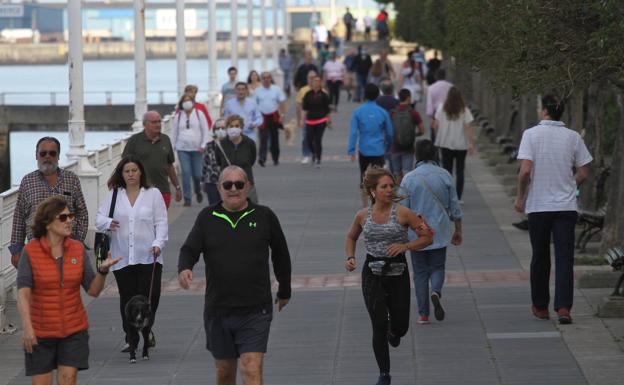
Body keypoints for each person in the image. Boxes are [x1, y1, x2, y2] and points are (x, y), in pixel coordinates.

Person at [178, 165, 292, 385]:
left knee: (251, 368)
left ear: (248, 186)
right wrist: (185, 268)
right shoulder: (207, 217)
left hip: (255, 309)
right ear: (219, 188)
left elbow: (281, 254)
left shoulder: (264, 216)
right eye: (227, 185)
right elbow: (189, 249)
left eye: (239, 184)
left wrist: (284, 289)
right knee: (224, 372)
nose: (233, 189)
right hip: (218, 310)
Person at [17, 196, 119, 385]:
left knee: (68, 379)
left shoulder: (77, 249)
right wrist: (27, 328)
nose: (70, 221)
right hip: (40, 331)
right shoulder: (30, 251)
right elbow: (23, 293)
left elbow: (93, 291)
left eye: (70, 216)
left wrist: (103, 271)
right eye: (63, 217)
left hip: (73, 330)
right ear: (47, 223)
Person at [345, 167, 433, 385]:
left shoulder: (403, 213)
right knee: (378, 323)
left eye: (391, 186)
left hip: (398, 272)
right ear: (373, 191)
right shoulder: (362, 215)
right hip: (372, 273)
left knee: (400, 325)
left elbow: (427, 237)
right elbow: (351, 237)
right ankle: (384, 374)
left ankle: (395, 332)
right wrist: (350, 257)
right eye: (384, 186)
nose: (389, 190)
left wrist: (406, 245)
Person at [514, 95, 592, 324]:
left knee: (540, 257)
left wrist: (520, 197)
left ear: (544, 110)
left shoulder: (530, 135)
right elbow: (584, 171)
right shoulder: (573, 137)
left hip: (538, 206)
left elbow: (525, 170)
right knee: (565, 258)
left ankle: (540, 306)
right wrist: (570, 185)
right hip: (566, 206)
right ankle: (564, 308)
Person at [96, 156, 168, 352]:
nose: (130, 175)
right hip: (122, 257)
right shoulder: (114, 195)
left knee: (150, 296)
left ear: (141, 172)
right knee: (127, 298)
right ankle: (130, 336)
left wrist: (158, 243)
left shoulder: (153, 194)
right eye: (126, 171)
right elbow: (99, 217)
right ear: (122, 174)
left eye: (134, 171)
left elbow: (161, 221)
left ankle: (147, 330)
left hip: (149, 255)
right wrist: (108, 223)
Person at [401, 139, 463, 324]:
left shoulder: (409, 178)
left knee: (420, 273)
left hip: (417, 232)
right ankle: (435, 291)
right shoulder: (445, 175)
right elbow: (455, 207)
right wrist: (458, 229)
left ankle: (423, 314)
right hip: (439, 230)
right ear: (435, 154)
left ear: (416, 154)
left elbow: (403, 210)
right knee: (437, 267)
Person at [10, 136, 88, 268]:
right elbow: (19, 217)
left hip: (66, 248)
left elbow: (82, 213)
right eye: (43, 153)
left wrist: (77, 241)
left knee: (67, 286)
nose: (47, 157)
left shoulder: (71, 180)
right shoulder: (27, 182)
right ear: (36, 155)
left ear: (58, 156)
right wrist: (16, 249)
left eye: (52, 153)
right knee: (39, 287)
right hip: (36, 250)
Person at [122, 111, 182, 209]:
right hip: (140, 191)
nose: (158, 124)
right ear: (144, 124)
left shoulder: (166, 139)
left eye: (159, 122)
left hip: (163, 191)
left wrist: (177, 187)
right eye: (154, 122)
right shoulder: (135, 140)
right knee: (144, 222)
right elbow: (124, 164)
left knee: (160, 222)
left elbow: (169, 166)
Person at [348, 83, 394, 207]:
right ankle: (376, 204)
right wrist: (388, 146)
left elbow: (353, 133)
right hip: (378, 149)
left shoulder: (357, 112)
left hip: (364, 149)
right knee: (378, 179)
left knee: (364, 177)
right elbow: (390, 132)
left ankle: (364, 207)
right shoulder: (382, 112)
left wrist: (351, 150)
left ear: (365, 95)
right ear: (377, 95)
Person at [433, 86, 475, 201]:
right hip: (461, 144)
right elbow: (468, 126)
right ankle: (459, 197)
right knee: (460, 170)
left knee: (447, 170)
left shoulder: (442, 108)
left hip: (445, 143)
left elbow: (436, 125)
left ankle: (447, 196)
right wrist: (470, 143)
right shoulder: (464, 110)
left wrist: (438, 137)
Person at [171, 93, 211, 207]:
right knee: (186, 173)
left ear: (193, 102)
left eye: (189, 100)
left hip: (197, 149)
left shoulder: (199, 114)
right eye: (184, 100)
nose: (187, 102)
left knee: (198, 174)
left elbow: (205, 130)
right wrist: (172, 148)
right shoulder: (178, 116)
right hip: (182, 148)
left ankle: (198, 191)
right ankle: (187, 199)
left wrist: (204, 144)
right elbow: (174, 133)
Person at [216, 115, 259, 203]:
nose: (234, 128)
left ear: (241, 128)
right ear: (227, 128)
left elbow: (252, 160)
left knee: (251, 211)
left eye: (236, 126)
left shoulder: (249, 143)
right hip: (227, 185)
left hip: (246, 184)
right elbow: (219, 162)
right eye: (231, 126)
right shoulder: (221, 144)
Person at [389, 89, 425, 183]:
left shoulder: (392, 113)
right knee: (407, 174)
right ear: (409, 98)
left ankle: (398, 196)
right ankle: (406, 195)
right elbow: (422, 130)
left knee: (397, 174)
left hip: (395, 147)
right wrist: (414, 135)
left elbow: (388, 130)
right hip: (408, 148)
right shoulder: (413, 113)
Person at [254, 72, 286, 167]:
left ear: (270, 78)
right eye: (264, 78)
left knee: (274, 138)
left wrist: (282, 115)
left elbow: (282, 102)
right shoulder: (257, 91)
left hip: (274, 116)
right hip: (262, 117)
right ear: (261, 79)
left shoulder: (276, 89)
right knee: (263, 138)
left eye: (268, 77)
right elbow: (254, 105)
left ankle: (275, 158)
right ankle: (262, 158)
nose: (266, 79)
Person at [302, 75, 332, 168]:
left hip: (321, 120)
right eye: (314, 81)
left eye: (318, 81)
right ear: (312, 83)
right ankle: (313, 153)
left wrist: (329, 121)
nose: (316, 83)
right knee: (309, 139)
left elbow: (327, 109)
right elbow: (304, 108)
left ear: (320, 83)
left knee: (318, 140)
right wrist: (302, 120)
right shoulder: (308, 94)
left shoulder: (324, 95)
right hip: (310, 120)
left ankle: (318, 159)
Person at [202, 118, 227, 205]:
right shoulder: (209, 146)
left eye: (223, 128)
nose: (220, 130)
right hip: (211, 182)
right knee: (214, 208)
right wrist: (203, 182)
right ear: (214, 130)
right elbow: (205, 164)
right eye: (218, 128)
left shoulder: (231, 146)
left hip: (228, 182)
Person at [295, 70, 318, 164]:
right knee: (306, 137)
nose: (312, 79)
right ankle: (306, 155)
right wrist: (299, 119)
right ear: (307, 79)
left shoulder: (321, 90)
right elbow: (298, 105)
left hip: (318, 118)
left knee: (316, 138)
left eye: (314, 77)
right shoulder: (303, 90)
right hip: (306, 118)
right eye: (310, 78)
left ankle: (315, 155)